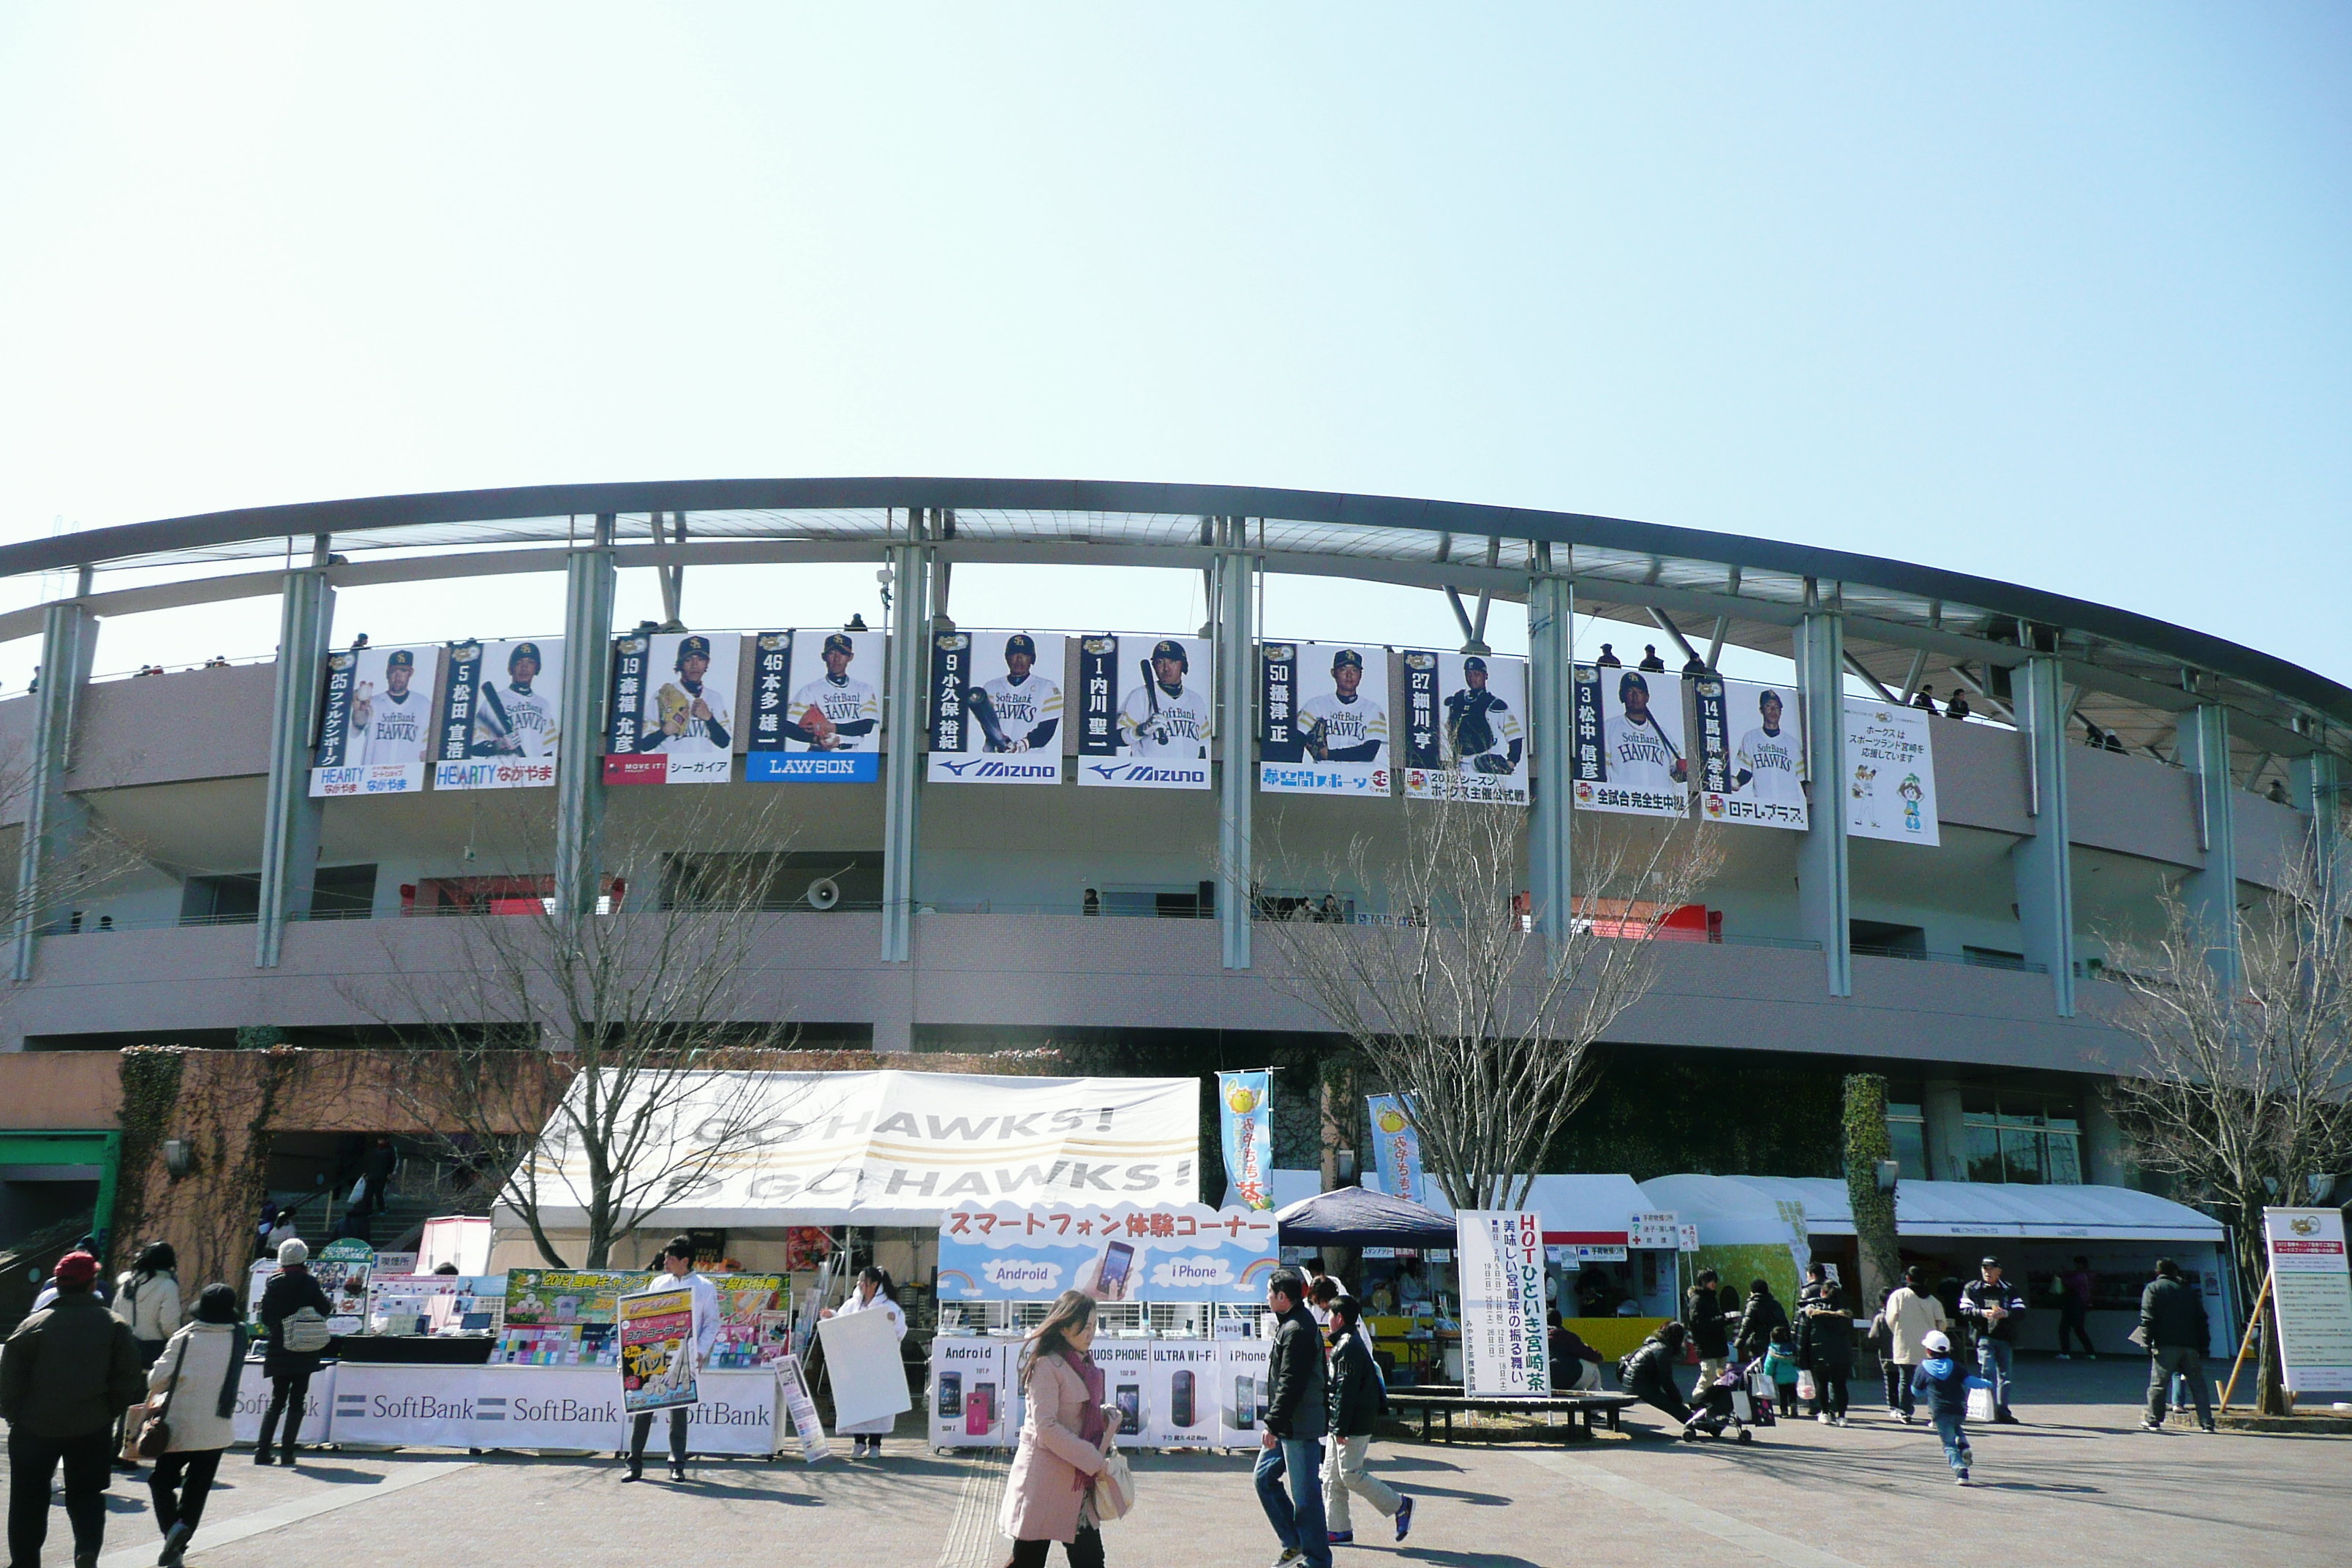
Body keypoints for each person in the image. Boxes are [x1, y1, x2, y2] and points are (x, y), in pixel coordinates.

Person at [1, 1250, 144, 1568]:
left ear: (59, 1285)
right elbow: (129, 1378)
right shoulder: (114, 1325)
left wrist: (16, 1416)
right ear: (93, 1283)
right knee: (87, 1495)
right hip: (91, 1426)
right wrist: (108, 1411)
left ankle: (25, 1562)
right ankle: (86, 1551)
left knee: (27, 1500)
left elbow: (8, 1380)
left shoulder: (31, 1326)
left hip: (33, 1429)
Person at [998, 1289, 1116, 1568]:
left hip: (1077, 1482)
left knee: (1090, 1560)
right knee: (1028, 1560)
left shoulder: (1085, 1363)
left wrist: (1105, 1416)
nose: (1091, 1333)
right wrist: (1091, 1458)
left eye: (1095, 1326)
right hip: (1046, 1480)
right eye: (1085, 1327)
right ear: (1064, 1326)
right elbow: (1046, 1427)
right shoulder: (1046, 1365)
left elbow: (1076, 1414)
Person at [145, 1284, 245, 1567]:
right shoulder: (239, 1337)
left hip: (180, 1423)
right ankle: (179, 1545)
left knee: (161, 1481)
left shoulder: (185, 1338)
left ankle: (173, 1530)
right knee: (197, 1489)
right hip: (218, 1426)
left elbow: (157, 1381)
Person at [625, 1237, 718, 1480]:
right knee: (643, 1409)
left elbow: (712, 1322)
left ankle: (677, 1465)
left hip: (684, 1357)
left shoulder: (705, 1287)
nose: (665, 1262)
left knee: (678, 1413)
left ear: (685, 1261)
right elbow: (643, 1319)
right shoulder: (658, 1283)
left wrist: (700, 1351)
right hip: (653, 1355)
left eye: (671, 1258)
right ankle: (634, 1464)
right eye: (665, 1257)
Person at [1256, 1267, 1331, 1568]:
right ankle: (1295, 1543)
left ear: (1282, 1297)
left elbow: (1292, 1381)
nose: (1267, 1297)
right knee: (1263, 1478)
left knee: (1306, 1497)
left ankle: (1317, 1559)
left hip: (1297, 1425)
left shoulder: (1297, 1329)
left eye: (1270, 1292)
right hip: (1289, 1423)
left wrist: (1272, 1422)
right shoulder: (1291, 1323)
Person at [1322, 1297, 1411, 1545]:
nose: (1327, 1320)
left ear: (1339, 1318)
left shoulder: (1348, 1346)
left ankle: (1399, 1504)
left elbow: (1346, 1390)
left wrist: (1339, 1427)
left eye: (1330, 1315)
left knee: (1349, 1474)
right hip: (1342, 1422)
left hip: (1353, 1423)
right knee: (1330, 1476)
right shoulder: (1345, 1343)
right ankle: (1339, 1530)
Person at [254, 1238, 332, 1466]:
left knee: (277, 1400)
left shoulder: (274, 1282)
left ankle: (263, 1451)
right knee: (298, 1399)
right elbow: (324, 1309)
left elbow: (266, 1317)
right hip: (304, 1345)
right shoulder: (309, 1282)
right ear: (303, 1257)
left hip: (280, 1345)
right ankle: (288, 1453)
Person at [110, 1241, 183, 1471]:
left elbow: (114, 1316)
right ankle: (129, 1450)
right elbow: (169, 1323)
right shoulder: (167, 1286)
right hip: (152, 1350)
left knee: (123, 1401)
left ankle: (114, 1448)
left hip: (124, 1347)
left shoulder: (127, 1284)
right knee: (142, 1402)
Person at [822, 1265, 908, 1456]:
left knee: (878, 1403)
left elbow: (900, 1332)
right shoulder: (852, 1304)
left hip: (879, 1365)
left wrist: (893, 1321)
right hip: (855, 1363)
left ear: (875, 1284)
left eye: (864, 1281)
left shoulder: (889, 1307)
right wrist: (831, 1316)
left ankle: (876, 1444)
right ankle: (859, 1442)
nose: (860, 1284)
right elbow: (842, 1323)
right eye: (859, 1281)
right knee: (856, 1402)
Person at [2138, 1259, 2216, 1433]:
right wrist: (2204, 1345)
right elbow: (2201, 1319)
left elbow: (2148, 1318)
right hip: (2190, 1344)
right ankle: (2207, 1423)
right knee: (2198, 1384)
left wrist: (2146, 1341)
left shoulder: (2153, 1289)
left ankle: (2154, 1420)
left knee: (2158, 1384)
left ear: (2158, 1272)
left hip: (2165, 1344)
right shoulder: (2188, 1291)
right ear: (2176, 1272)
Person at [1959, 1256, 2026, 1423]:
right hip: (1983, 1336)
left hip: (2005, 1337)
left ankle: (2003, 1411)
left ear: (1999, 1271)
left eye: (1991, 1268)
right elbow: (1964, 1309)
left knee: (2006, 1376)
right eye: (1984, 1268)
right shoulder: (1972, 1288)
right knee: (1986, 1372)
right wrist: (1983, 1313)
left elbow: (2021, 1310)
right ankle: (1988, 1409)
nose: (1987, 1272)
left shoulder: (2009, 1289)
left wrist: (2006, 1313)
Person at [1883, 1266, 1948, 1423]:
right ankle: (1934, 1413)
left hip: (1905, 1344)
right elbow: (1942, 1324)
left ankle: (1905, 1411)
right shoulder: (1933, 1300)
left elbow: (1890, 1319)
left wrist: (1899, 1332)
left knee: (1905, 1379)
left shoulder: (1898, 1296)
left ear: (1908, 1278)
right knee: (1931, 1381)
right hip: (1929, 1347)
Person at [1911, 1330, 1975, 1485]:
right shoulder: (1956, 1366)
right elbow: (1969, 1380)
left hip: (1939, 1411)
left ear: (1928, 1350)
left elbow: (1916, 1390)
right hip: (1959, 1408)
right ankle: (1964, 1444)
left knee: (1948, 1444)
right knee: (1956, 1426)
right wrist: (1986, 1384)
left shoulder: (1923, 1367)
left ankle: (1961, 1471)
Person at [1618, 1322, 1695, 1433]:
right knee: (1672, 1405)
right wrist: (1678, 1398)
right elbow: (1666, 1380)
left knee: (1671, 1402)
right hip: (1639, 1385)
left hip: (1633, 1382)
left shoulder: (1654, 1344)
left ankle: (1693, 1421)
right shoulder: (1662, 1350)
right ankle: (1697, 1422)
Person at [1797, 1282, 1855, 1425]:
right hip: (1842, 1355)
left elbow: (1803, 1336)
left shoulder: (1813, 1313)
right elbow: (1851, 1335)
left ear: (1823, 1294)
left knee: (1822, 1384)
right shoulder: (1845, 1314)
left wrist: (1801, 1357)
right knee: (1840, 1386)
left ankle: (1824, 1413)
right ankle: (1842, 1416)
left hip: (1819, 1354)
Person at [1684, 1269, 1730, 1390]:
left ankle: (1717, 1403)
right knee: (1708, 1376)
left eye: (1715, 1281)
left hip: (1719, 1344)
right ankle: (1697, 1399)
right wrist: (1720, 1320)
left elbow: (1715, 1319)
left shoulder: (1712, 1298)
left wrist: (1728, 1320)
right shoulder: (1697, 1300)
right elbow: (1697, 1323)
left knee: (1722, 1377)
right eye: (1710, 1281)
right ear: (1702, 1282)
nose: (1713, 1283)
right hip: (1706, 1345)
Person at [1732, 1278, 1788, 1365]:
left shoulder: (1753, 1305)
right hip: (1776, 1344)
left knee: (1759, 1371)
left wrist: (1739, 1343)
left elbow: (1746, 1326)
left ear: (1753, 1291)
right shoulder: (1776, 1304)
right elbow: (1785, 1324)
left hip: (1758, 1345)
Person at [1545, 1311, 1602, 1392]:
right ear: (1561, 1322)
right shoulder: (1566, 1336)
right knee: (1593, 1364)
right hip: (1572, 1379)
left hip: (1547, 1382)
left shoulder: (1535, 1337)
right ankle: (1596, 1393)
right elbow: (1596, 1356)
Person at [2057, 1256, 2097, 1360]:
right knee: (2079, 1329)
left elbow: (2070, 1284)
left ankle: (2065, 1352)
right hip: (2082, 1304)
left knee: (2064, 1328)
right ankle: (2090, 1352)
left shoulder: (2080, 1275)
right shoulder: (2089, 1275)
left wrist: (2063, 1275)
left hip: (2073, 1303)